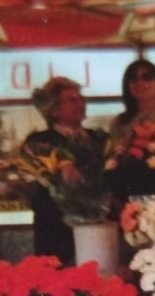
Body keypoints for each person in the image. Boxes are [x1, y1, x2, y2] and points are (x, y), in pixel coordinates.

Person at [22, 76, 109, 265]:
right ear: (53, 109)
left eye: (80, 99)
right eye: (71, 100)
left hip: (98, 226)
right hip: (56, 226)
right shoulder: (39, 141)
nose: (79, 104)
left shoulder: (98, 139)